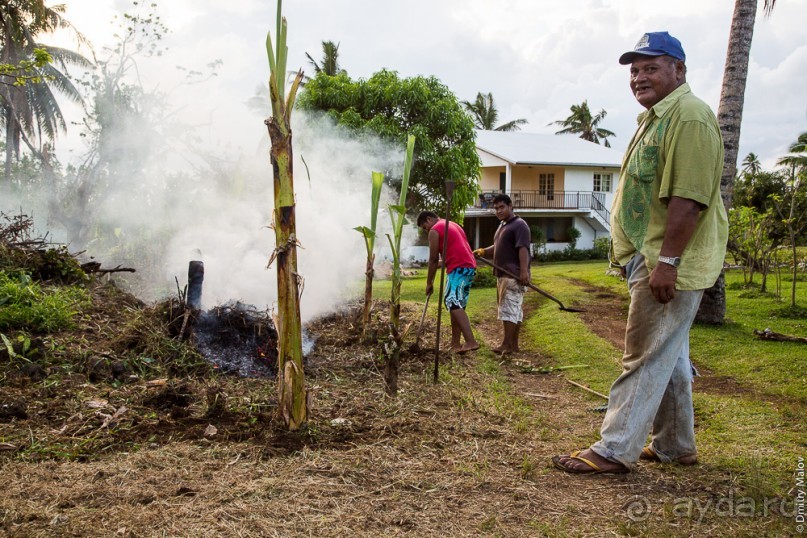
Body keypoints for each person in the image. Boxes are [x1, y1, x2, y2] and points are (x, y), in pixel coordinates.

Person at [553, 31, 728, 474]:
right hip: (651, 256)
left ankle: (614, 448)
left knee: (645, 352)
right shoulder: (657, 118)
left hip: (666, 261)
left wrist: (667, 261)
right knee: (668, 357)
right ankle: (674, 445)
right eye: (634, 70)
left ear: (679, 70)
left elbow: (689, 199)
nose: (638, 77)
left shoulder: (688, 117)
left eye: (651, 67)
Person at [473, 194, 531, 354]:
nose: (498, 211)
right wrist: (484, 251)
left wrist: (524, 271)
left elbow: (523, 248)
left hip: (512, 275)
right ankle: (514, 345)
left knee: (509, 309)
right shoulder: (503, 225)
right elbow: (498, 246)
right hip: (504, 273)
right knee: (515, 310)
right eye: (496, 208)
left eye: (502, 207)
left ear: (511, 206)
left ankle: (506, 344)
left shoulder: (519, 225)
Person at [417, 211, 480, 354]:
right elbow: (452, 252)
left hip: (458, 268)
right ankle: (455, 344)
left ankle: (471, 341)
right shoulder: (451, 224)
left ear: (429, 219)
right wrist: (442, 263)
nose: (426, 230)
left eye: (424, 227)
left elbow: (433, 259)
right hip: (468, 267)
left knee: (452, 301)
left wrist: (429, 283)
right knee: (457, 305)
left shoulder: (435, 229)